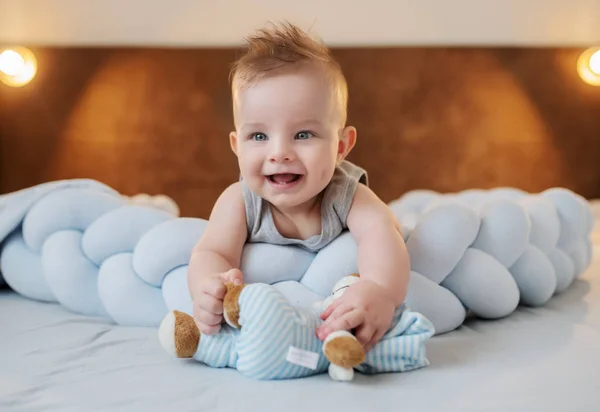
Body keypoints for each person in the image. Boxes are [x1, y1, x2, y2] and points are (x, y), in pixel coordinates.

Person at [187, 22, 410, 353]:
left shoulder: (347, 194)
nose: (279, 153)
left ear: (340, 147)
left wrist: (379, 290)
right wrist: (210, 287)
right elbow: (212, 252)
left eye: (303, 134)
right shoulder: (239, 201)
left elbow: (383, 233)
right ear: (237, 145)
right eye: (259, 136)